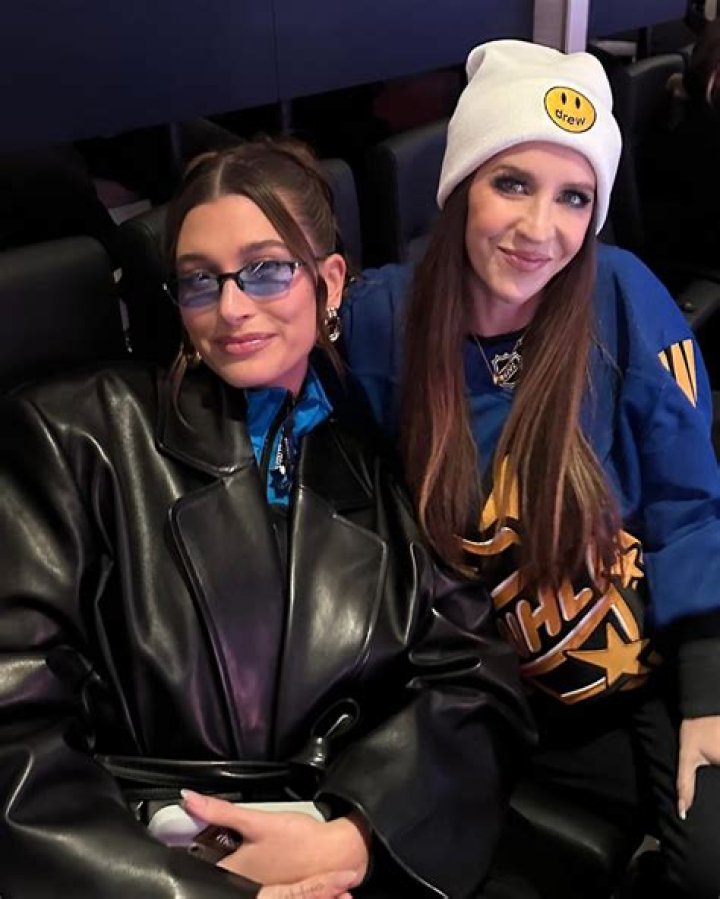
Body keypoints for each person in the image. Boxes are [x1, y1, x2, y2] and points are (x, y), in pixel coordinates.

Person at [0, 138, 533, 899]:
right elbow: (14, 735)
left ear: (329, 281)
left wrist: (358, 833)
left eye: (267, 269)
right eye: (199, 280)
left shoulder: (372, 463)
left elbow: (477, 681)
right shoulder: (80, 436)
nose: (231, 308)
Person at [341, 40, 720, 897]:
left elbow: (689, 503)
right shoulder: (384, 321)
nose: (540, 229)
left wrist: (708, 691)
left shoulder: (618, 295)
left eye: (573, 197)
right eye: (512, 183)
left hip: (647, 661)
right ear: (460, 185)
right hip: (486, 689)